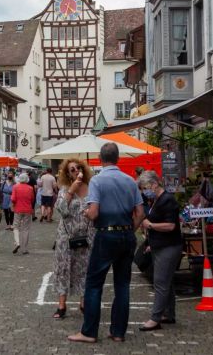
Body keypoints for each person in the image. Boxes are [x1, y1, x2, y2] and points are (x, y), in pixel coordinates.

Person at [69, 142, 145, 344]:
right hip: (127, 235)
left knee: (94, 285)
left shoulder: (97, 181)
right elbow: (140, 213)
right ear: (118, 158)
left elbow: (93, 212)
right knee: (122, 285)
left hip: (106, 234)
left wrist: (86, 213)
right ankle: (118, 332)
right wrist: (130, 230)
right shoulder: (130, 181)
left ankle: (89, 332)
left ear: (101, 159)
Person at [137, 170, 183, 331]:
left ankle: (155, 318)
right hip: (159, 245)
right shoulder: (156, 200)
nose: (144, 191)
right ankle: (169, 314)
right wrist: (151, 241)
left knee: (160, 283)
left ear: (155, 184)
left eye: (145, 187)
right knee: (167, 282)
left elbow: (170, 226)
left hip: (169, 246)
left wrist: (150, 225)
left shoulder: (167, 200)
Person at [52, 158, 94, 320]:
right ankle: (62, 305)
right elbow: (61, 210)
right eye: (72, 169)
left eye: (78, 168)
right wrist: (71, 191)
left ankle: (84, 303)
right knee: (64, 268)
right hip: (67, 236)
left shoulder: (91, 188)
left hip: (87, 236)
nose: (76, 171)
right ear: (68, 174)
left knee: (85, 269)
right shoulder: (64, 189)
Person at [11, 172, 35, 254]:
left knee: (16, 227)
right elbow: (32, 199)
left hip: (18, 209)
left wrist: (13, 205)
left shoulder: (15, 187)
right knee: (26, 229)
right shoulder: (30, 188)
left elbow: (13, 199)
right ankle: (24, 249)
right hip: (27, 209)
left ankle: (17, 243)